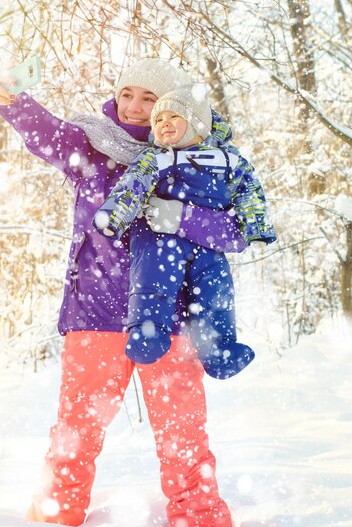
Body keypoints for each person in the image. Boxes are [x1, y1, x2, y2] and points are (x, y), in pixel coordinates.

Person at [0, 58, 248, 527]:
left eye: (150, 99)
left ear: (171, 106)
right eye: (128, 93)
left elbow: (239, 229)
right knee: (76, 434)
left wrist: (180, 218)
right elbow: (43, 131)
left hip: (170, 318)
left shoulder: (202, 159)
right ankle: (51, 525)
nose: (135, 106)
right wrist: (10, 99)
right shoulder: (90, 144)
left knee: (183, 437)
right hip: (95, 313)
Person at [94, 86, 276, 378]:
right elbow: (132, 186)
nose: (163, 123)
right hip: (159, 239)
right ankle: (148, 333)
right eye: (158, 119)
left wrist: (256, 225)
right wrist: (113, 216)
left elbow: (249, 190)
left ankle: (219, 350)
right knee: (153, 281)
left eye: (173, 116)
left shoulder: (228, 160)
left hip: (207, 246)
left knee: (214, 292)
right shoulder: (155, 158)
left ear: (198, 124)